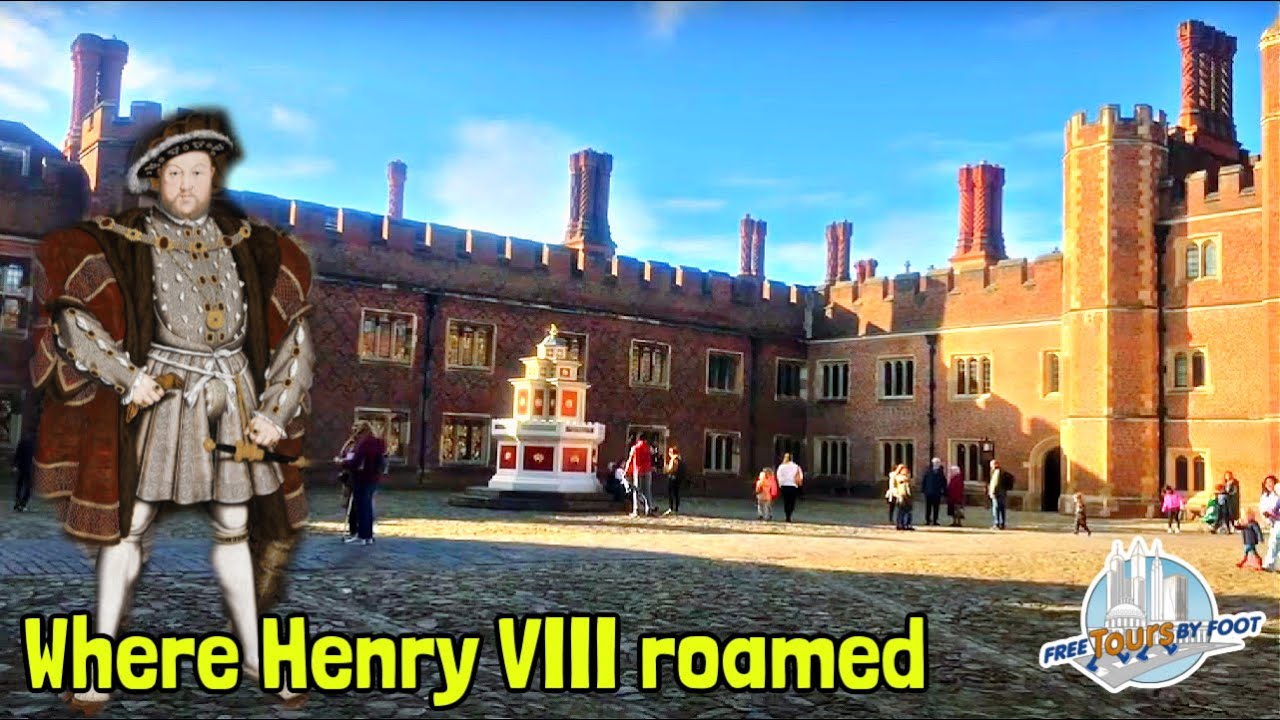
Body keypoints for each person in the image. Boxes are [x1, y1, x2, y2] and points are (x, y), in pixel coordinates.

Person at [29, 109, 314, 713]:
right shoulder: (120, 242)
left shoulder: (253, 249)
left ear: (214, 177)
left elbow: (294, 338)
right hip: (163, 389)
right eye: (175, 173)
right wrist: (126, 377)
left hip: (234, 390)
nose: (186, 184)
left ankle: (256, 655)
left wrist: (275, 410)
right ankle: (99, 665)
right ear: (156, 180)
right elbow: (74, 317)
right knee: (129, 526)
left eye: (198, 172)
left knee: (236, 526)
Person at [342, 421, 386, 545]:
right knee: (368, 507)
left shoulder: (364, 443)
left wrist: (343, 462)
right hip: (373, 478)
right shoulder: (379, 443)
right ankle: (368, 536)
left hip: (361, 478)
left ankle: (362, 536)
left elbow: (356, 462)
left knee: (361, 507)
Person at [624, 435, 655, 517]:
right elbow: (652, 456)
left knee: (637, 490)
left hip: (638, 470)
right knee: (647, 491)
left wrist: (626, 471)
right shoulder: (648, 448)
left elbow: (630, 460)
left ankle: (637, 510)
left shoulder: (635, 448)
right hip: (648, 471)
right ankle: (649, 509)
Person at [776, 453, 804, 522]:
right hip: (793, 485)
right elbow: (800, 476)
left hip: (784, 485)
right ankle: (790, 514)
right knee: (792, 501)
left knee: (786, 501)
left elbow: (778, 475)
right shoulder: (796, 466)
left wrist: (780, 484)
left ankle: (787, 515)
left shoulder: (781, 466)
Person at [1260, 476, 1280, 572]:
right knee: (1274, 542)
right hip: (1273, 521)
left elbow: (1276, 509)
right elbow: (1263, 508)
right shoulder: (1265, 496)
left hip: (1278, 521)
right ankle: (1270, 564)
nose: (1269, 484)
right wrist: (1267, 516)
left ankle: (1269, 564)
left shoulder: (1277, 495)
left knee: (1274, 541)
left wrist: (1272, 513)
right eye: (1267, 482)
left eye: (1271, 482)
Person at [11, 432, 34, 512]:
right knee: (28, 486)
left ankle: (18, 501)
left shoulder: (22, 442)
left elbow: (17, 455)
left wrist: (15, 465)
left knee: (20, 485)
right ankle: (23, 503)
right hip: (28, 467)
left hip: (21, 466)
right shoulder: (33, 444)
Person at [921, 458, 947, 526]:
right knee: (928, 507)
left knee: (936, 507)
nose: (936, 464)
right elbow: (924, 481)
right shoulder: (928, 471)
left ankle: (935, 520)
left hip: (937, 492)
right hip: (929, 492)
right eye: (935, 463)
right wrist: (923, 490)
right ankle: (927, 520)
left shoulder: (941, 472)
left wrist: (944, 492)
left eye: (938, 462)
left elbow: (944, 482)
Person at [988, 460, 1012, 530]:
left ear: (995, 465)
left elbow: (995, 483)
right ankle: (1002, 523)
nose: (991, 467)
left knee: (996, 508)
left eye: (991, 465)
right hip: (1003, 492)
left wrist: (992, 492)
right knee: (1002, 508)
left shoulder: (997, 472)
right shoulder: (1002, 471)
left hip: (997, 493)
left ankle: (997, 524)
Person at [664, 446, 687, 516]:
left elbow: (672, 469)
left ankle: (671, 508)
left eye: (669, 452)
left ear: (671, 453)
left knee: (670, 493)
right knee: (676, 494)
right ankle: (676, 508)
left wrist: (666, 469)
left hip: (672, 478)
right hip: (679, 479)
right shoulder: (680, 459)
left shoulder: (674, 459)